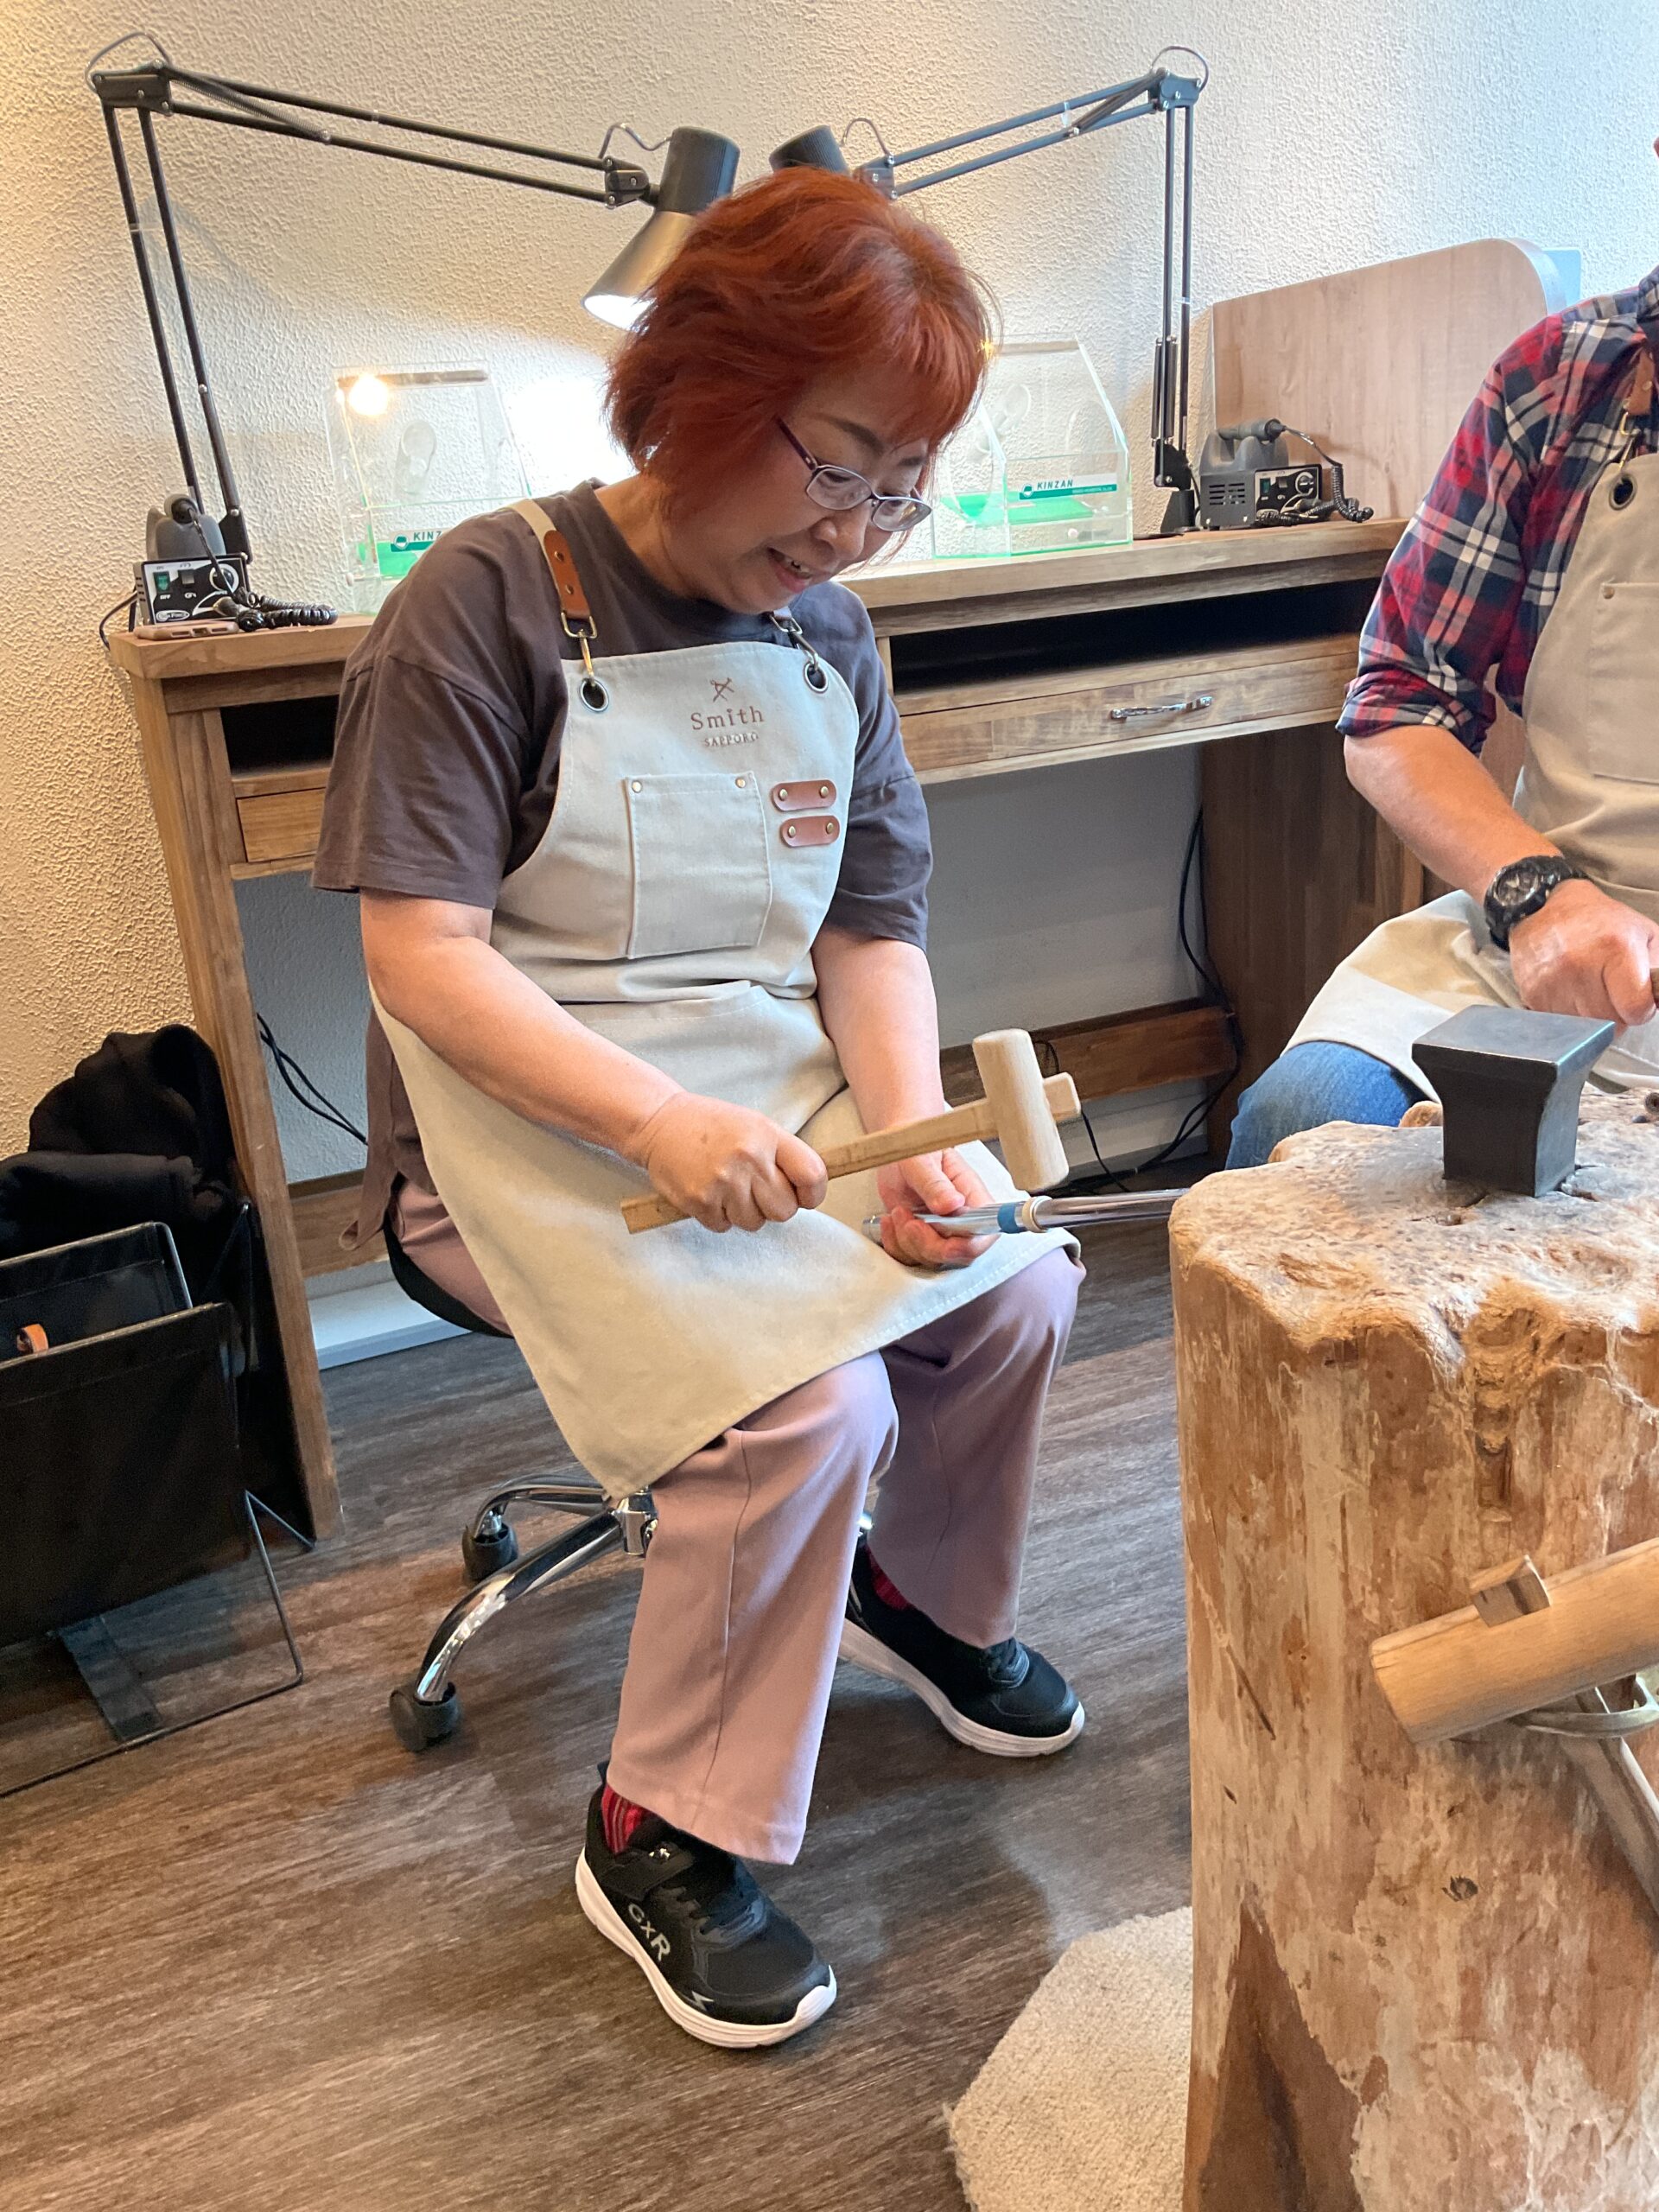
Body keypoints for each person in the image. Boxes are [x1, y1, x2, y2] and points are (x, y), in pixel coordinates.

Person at [314, 169, 1085, 2050]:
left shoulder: (833, 634)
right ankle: (657, 1824)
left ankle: (915, 1596)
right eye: (838, 463)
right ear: (699, 391)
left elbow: (871, 930)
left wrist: (914, 1141)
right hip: (526, 1131)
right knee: (800, 1409)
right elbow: (423, 958)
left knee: (1008, 1285)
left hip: (769, 1092)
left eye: (903, 490)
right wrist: (657, 1125)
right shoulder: (488, 599)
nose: (856, 529)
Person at [1228, 255, 1659, 1168]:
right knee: (1309, 1121)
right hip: (1557, 924)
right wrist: (1540, 899)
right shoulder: (1560, 382)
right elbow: (1399, 702)